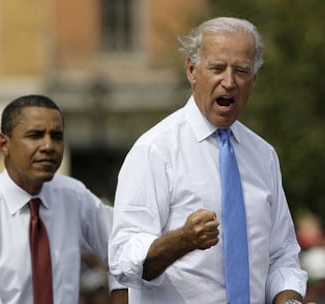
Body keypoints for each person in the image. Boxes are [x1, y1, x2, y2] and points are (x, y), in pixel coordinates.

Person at [108, 17, 307, 304]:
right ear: (192, 70)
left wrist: (289, 301)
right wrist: (183, 240)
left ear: (254, 80)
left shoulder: (264, 156)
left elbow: (281, 256)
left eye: (241, 71)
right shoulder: (154, 150)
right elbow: (124, 259)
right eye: (217, 68)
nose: (229, 82)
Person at [0, 95, 127, 303]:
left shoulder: (73, 197)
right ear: (3, 144)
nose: (48, 146)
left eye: (57, 136)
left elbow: (125, 248)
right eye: (35, 135)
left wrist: (120, 293)